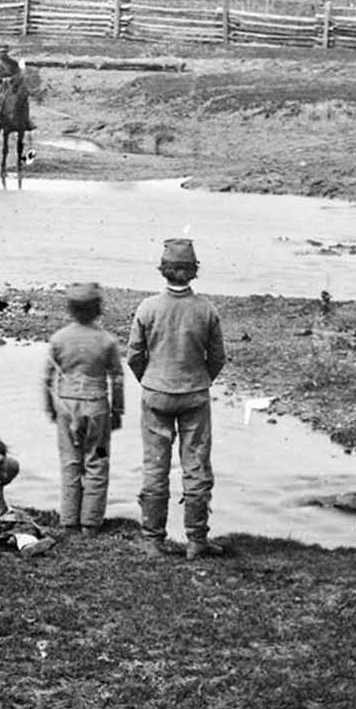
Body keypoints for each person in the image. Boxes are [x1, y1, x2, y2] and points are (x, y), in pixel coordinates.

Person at [127, 239, 227, 559]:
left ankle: (153, 540)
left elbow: (133, 356)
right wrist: (200, 382)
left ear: (163, 270)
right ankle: (196, 540)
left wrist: (151, 381)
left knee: (155, 465)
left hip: (156, 392)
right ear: (194, 271)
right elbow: (218, 358)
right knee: (196, 465)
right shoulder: (206, 309)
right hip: (195, 393)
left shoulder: (147, 307)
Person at [42, 282, 125, 537]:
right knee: (97, 461)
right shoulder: (106, 340)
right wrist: (117, 411)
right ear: (98, 309)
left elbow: (47, 378)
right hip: (97, 406)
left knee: (70, 461)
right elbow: (117, 378)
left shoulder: (59, 338)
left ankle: (69, 521)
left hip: (67, 405)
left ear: (70, 310)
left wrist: (50, 408)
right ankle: (90, 523)